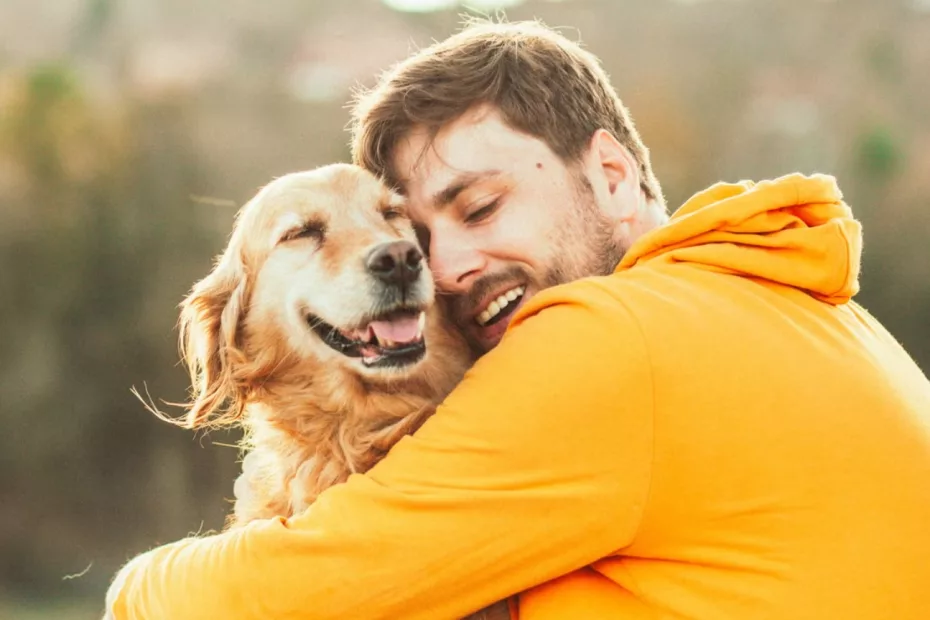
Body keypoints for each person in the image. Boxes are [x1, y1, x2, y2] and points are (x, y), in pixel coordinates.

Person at [104, 19, 930, 620]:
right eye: (424, 234)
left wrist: (133, 588)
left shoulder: (612, 338)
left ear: (612, 174)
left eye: (483, 205)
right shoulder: (793, 308)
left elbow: (301, 591)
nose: (441, 266)